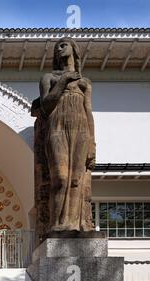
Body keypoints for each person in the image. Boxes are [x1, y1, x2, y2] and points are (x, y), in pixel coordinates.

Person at [38, 37, 95, 232]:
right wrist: (62, 81)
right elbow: (45, 106)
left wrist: (92, 143)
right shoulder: (50, 78)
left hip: (81, 130)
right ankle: (58, 224)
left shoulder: (85, 83)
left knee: (77, 179)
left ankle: (75, 225)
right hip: (57, 128)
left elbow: (88, 112)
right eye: (57, 47)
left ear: (74, 50)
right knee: (60, 178)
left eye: (64, 45)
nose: (60, 49)